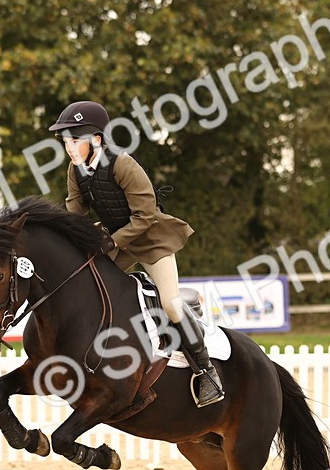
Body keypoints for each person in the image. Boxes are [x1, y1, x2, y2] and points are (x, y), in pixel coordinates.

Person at [48, 100, 224, 407]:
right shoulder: (76, 170)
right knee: (90, 288)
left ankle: (206, 372)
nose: (69, 147)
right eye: (66, 141)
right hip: (118, 240)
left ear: (97, 140)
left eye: (75, 140)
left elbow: (144, 216)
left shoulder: (123, 165)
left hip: (152, 240)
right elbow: (75, 212)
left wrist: (112, 242)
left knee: (170, 304)